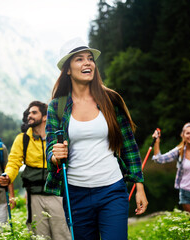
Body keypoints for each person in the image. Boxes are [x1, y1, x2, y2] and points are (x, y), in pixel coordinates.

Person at [45, 37, 148, 240]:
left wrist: (140, 187)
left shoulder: (111, 100)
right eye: (79, 59)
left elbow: (129, 146)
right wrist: (54, 156)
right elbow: (50, 150)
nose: (87, 63)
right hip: (75, 193)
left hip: (112, 190)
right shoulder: (56, 106)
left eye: (90, 58)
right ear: (67, 69)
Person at [0, 101, 71, 240]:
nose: (29, 116)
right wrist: (8, 176)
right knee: (39, 235)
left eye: (34, 112)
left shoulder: (57, 137)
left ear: (45, 117)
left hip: (57, 193)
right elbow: (14, 161)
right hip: (34, 195)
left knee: (62, 233)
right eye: (29, 113)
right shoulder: (23, 138)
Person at [152, 122, 190, 217]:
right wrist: (157, 142)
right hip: (185, 192)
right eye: (188, 133)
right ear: (183, 135)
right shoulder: (179, 151)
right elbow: (159, 159)